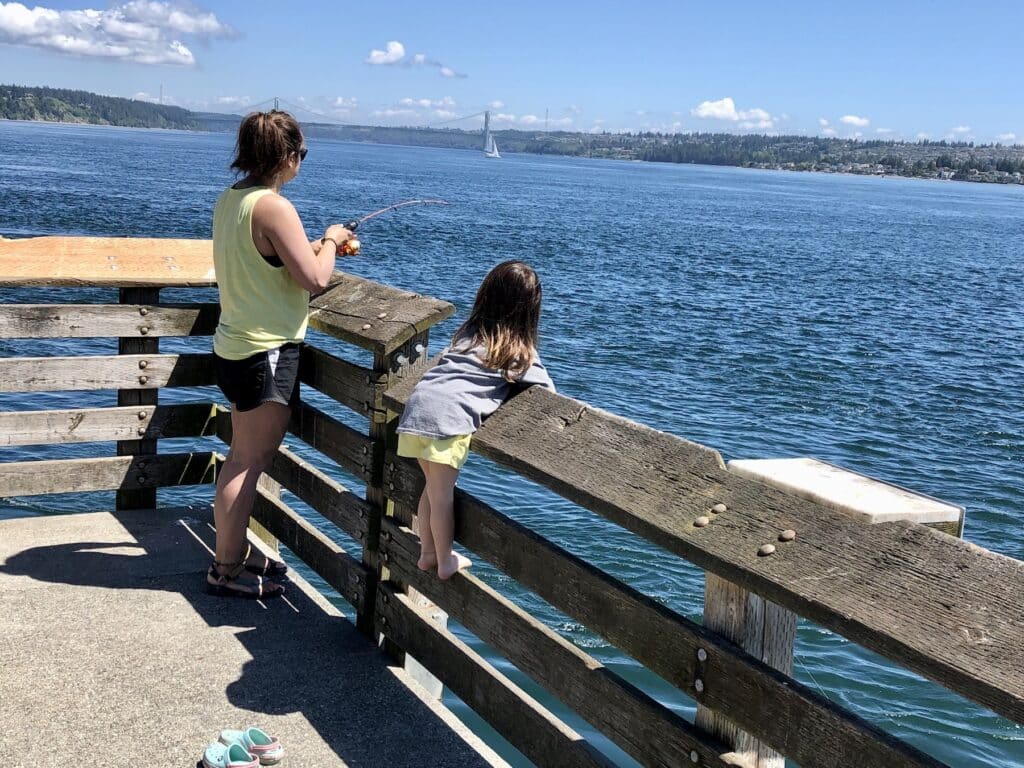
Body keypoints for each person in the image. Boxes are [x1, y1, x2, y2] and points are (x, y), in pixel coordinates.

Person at [208, 110, 353, 598]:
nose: (301, 163)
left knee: (238, 457)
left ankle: (233, 555)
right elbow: (315, 279)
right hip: (264, 350)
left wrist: (313, 246)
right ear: (287, 156)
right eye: (302, 154)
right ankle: (226, 569)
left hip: (234, 345)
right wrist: (331, 240)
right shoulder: (274, 207)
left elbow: (269, 261)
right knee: (248, 461)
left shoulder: (233, 201)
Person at [396, 261, 556, 580]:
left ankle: (427, 554)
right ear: (530, 310)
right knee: (442, 496)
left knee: (430, 489)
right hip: (447, 421)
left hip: (416, 411)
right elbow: (547, 393)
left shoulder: (468, 335)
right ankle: (445, 561)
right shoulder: (518, 351)